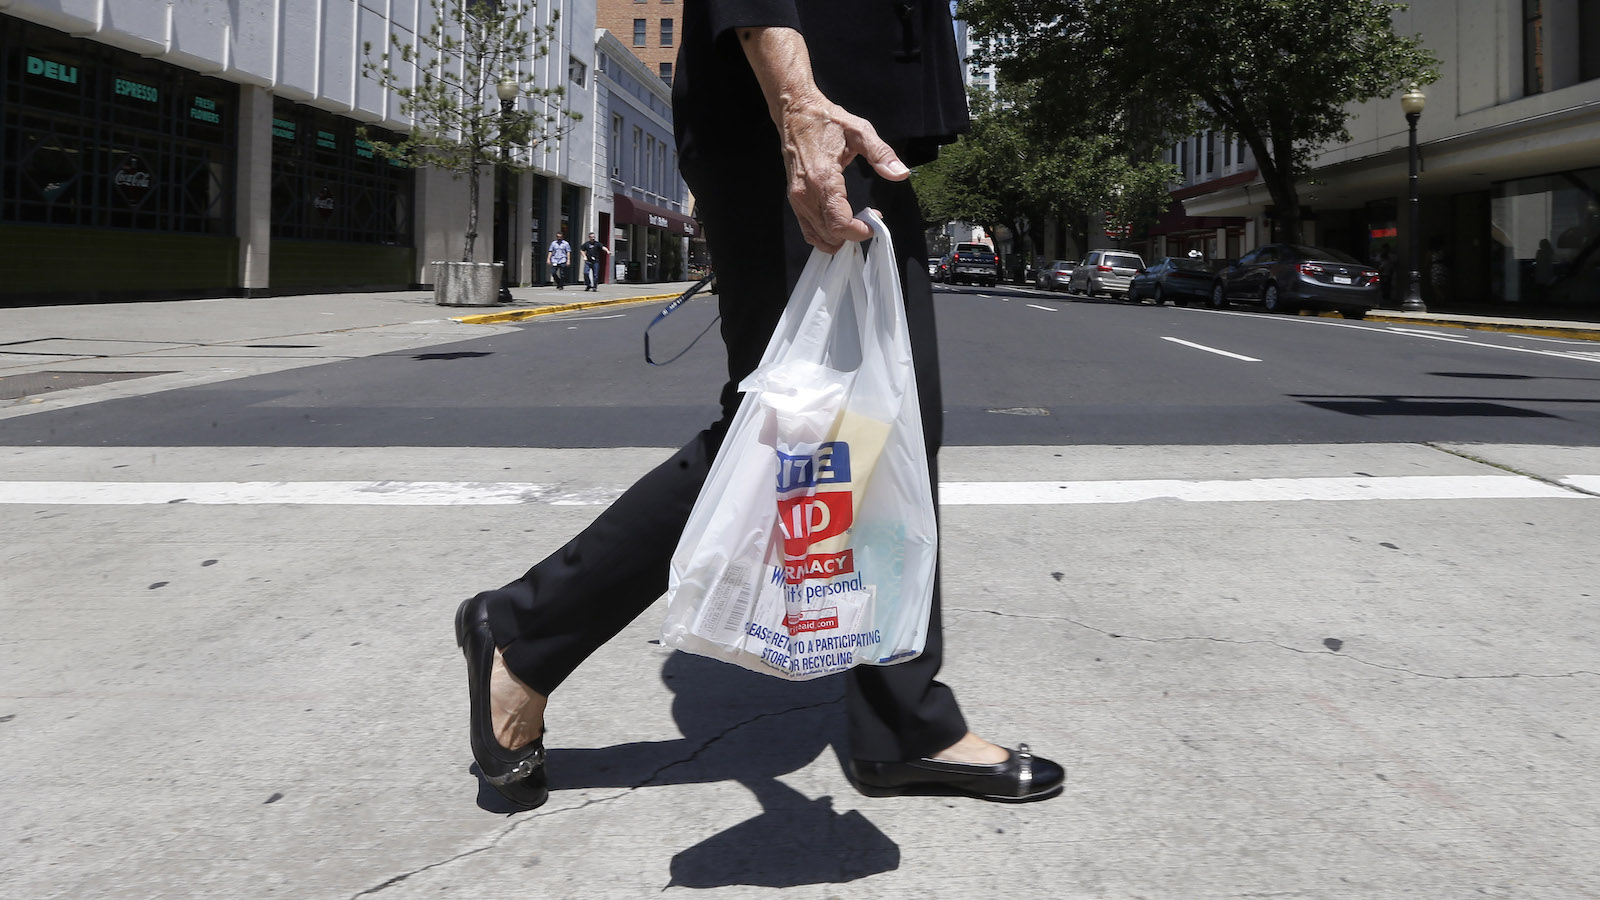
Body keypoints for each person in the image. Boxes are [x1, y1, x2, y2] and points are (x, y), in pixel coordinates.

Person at [455, 0, 1065, 811]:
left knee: (877, 424)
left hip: (848, 118)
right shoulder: (798, 108)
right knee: (798, 429)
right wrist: (798, 104)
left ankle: (899, 720)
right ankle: (523, 633)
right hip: (797, 106)